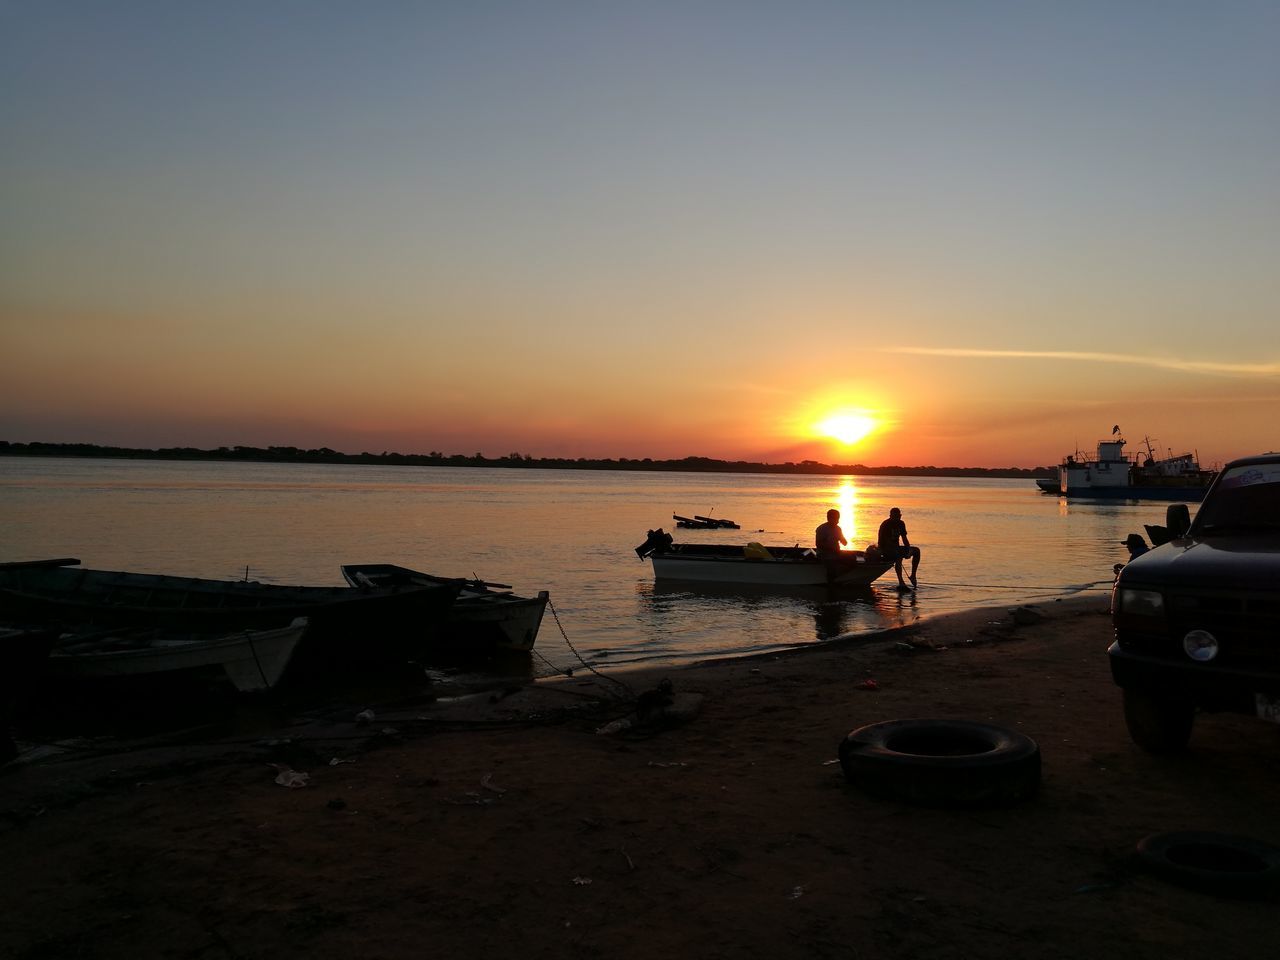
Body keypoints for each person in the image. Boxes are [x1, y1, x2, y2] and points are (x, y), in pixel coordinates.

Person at [878, 506, 921, 588]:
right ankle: (901, 582)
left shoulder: (901, 523)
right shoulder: (886, 524)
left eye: (898, 516)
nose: (897, 518)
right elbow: (887, 542)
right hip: (885, 549)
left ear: (900, 516)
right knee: (898, 555)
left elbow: (904, 539)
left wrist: (908, 550)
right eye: (894, 517)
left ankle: (913, 576)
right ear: (890, 516)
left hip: (896, 548)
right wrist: (899, 551)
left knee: (916, 551)